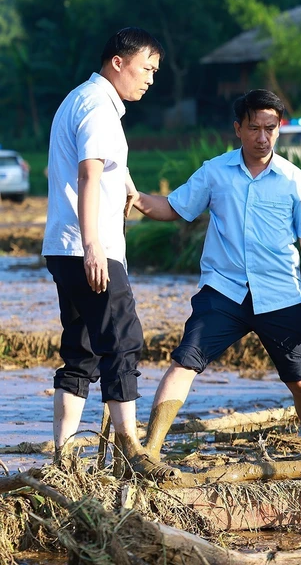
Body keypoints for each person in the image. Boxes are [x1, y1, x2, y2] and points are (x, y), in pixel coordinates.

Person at [130, 89, 301, 474]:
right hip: (223, 292)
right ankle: (151, 453)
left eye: (270, 129)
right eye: (254, 128)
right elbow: (174, 208)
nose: (262, 137)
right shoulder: (215, 172)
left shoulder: (294, 180)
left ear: (279, 130)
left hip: (279, 296)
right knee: (183, 363)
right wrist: (135, 197)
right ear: (237, 128)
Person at [42, 27, 165, 476]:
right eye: (146, 68)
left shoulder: (81, 99)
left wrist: (130, 187)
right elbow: (90, 175)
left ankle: (63, 456)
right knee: (123, 343)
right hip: (91, 247)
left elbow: (102, 167)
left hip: (63, 246)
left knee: (83, 349)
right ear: (118, 62)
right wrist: (95, 245)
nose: (150, 79)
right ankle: (131, 452)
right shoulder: (99, 108)